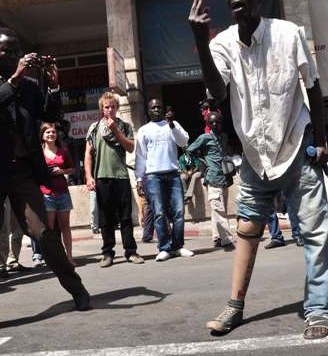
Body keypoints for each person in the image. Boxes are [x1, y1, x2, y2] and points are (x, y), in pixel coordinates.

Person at [189, 0, 328, 339]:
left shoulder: (289, 34)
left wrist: (320, 141)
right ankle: (235, 305)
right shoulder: (221, 43)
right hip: (255, 155)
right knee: (247, 230)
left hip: (296, 148)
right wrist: (199, 40)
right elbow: (217, 93)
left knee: (314, 232)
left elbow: (314, 88)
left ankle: (320, 308)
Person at [0, 28, 89, 339]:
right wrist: (14, 80)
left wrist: (54, 88)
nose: (14, 57)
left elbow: (49, 115)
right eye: (7, 51)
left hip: (23, 174)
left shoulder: (30, 87)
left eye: (17, 52)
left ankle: (77, 289)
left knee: (44, 233)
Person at [85, 92, 144, 268]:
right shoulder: (94, 128)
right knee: (105, 218)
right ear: (102, 109)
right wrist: (88, 176)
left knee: (125, 217)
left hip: (121, 176)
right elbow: (88, 154)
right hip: (102, 177)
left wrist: (115, 130)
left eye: (113, 107)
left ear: (117, 108)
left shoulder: (124, 126)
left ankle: (131, 251)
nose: (110, 110)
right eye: (106, 107)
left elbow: (130, 147)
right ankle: (107, 253)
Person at [135, 99, 193, 262]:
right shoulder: (144, 130)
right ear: (148, 110)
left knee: (179, 212)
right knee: (159, 213)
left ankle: (178, 246)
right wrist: (139, 178)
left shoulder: (172, 125)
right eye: (152, 107)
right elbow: (141, 156)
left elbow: (184, 142)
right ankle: (165, 247)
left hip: (173, 173)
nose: (156, 109)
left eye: (159, 107)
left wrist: (172, 125)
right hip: (153, 176)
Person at [187, 111, 235, 248]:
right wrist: (201, 164)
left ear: (221, 123)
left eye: (217, 122)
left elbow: (226, 152)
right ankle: (227, 238)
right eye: (212, 122)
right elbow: (190, 151)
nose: (215, 124)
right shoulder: (204, 138)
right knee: (219, 209)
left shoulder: (224, 137)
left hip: (224, 178)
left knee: (219, 209)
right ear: (208, 124)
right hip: (212, 178)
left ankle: (217, 237)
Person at [40, 122, 76, 265]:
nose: (51, 134)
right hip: (46, 194)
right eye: (47, 132)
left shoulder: (63, 150)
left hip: (63, 193)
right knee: (50, 230)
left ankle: (69, 257)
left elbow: (72, 169)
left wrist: (62, 171)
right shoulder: (39, 152)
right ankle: (53, 259)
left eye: (53, 132)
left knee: (65, 227)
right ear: (42, 135)